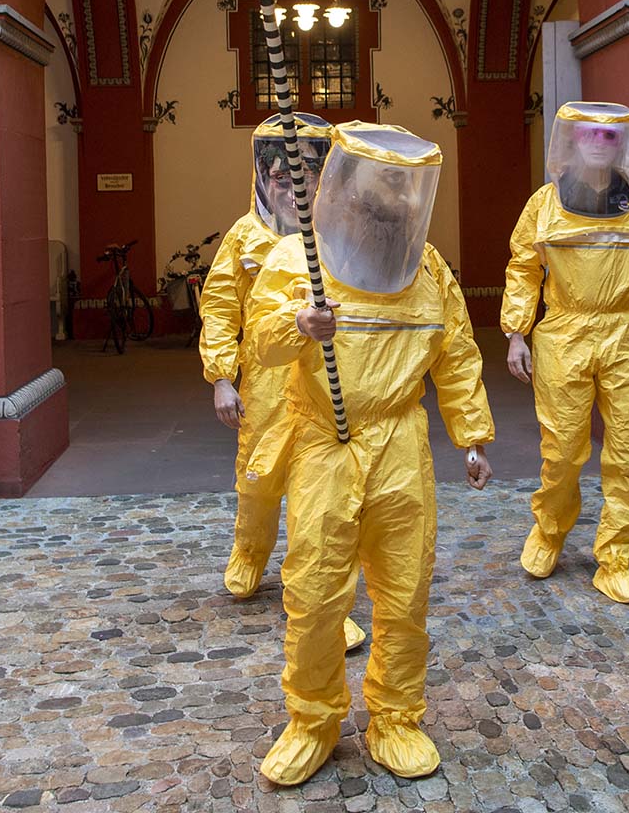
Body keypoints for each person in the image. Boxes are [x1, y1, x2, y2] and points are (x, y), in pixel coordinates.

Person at [245, 122, 495, 786]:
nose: (392, 203)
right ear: (345, 190)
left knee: (405, 590)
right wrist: (296, 326)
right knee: (317, 592)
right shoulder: (297, 261)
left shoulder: (426, 268)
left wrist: (471, 434)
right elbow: (259, 347)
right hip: (326, 444)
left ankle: (395, 716)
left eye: (403, 190)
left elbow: (456, 351)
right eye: (378, 188)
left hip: (402, 442)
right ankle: (312, 720)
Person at [198, 113, 364, 662]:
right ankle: (249, 550)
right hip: (265, 384)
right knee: (258, 483)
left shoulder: (339, 239)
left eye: (306, 178)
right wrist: (222, 377)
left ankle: (324, 609)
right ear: (264, 180)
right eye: (281, 178)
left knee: (322, 502)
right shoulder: (244, 238)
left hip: (324, 382)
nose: (293, 189)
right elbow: (220, 308)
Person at [502, 101, 629, 604]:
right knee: (564, 449)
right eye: (589, 134)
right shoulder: (546, 203)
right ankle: (549, 531)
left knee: (627, 452)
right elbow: (523, 266)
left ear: (623, 145)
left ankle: (616, 558)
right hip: (564, 332)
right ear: (571, 141)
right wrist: (516, 330)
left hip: (622, 331)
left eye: (610, 136)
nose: (600, 143)